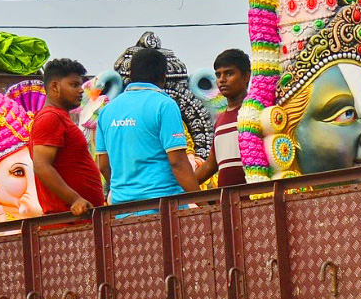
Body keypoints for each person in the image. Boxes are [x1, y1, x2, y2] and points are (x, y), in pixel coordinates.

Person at [95, 46, 199, 204]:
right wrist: (202, 201)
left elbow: (103, 165)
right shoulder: (164, 105)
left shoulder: (106, 112)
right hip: (165, 207)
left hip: (122, 208)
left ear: (130, 75)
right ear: (164, 76)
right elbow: (178, 162)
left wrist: (125, 192)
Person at [30, 58, 106, 215]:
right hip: (67, 220)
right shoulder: (50, 117)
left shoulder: (59, 117)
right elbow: (41, 165)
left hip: (79, 218)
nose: (81, 90)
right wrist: (75, 199)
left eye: (81, 85)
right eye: (74, 85)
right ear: (55, 86)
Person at [195, 48, 250, 187]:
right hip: (227, 204)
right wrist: (177, 187)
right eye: (218, 75)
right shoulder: (220, 120)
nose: (222, 80)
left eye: (229, 73)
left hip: (256, 203)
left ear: (246, 77)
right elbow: (210, 166)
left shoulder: (256, 112)